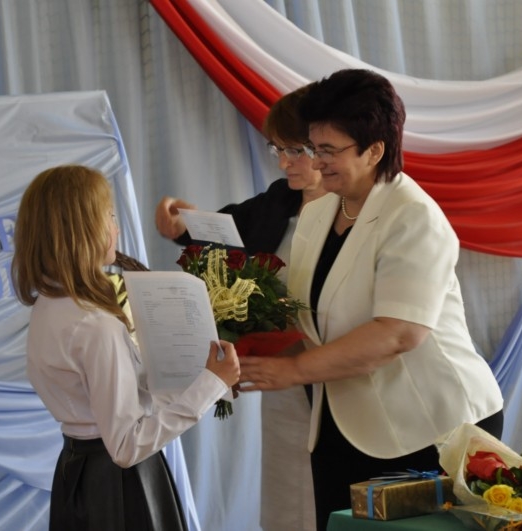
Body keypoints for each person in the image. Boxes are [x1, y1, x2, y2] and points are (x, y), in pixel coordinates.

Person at [238, 69, 505, 531]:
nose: (316, 162)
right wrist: (243, 353)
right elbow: (306, 316)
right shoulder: (320, 212)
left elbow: (398, 333)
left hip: (430, 426)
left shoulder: (413, 216)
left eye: (328, 150)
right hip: (341, 422)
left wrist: (294, 371)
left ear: (375, 150)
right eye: (313, 147)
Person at [12, 164, 240, 531]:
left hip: (77, 472)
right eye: (109, 216)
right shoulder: (96, 325)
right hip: (119, 486)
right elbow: (126, 445)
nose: (116, 228)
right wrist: (211, 384)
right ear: (83, 230)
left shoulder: (49, 305)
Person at [156, 85, 325, 531]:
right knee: (289, 499)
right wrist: (180, 225)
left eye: (296, 150)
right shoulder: (279, 199)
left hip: (339, 371)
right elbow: (224, 229)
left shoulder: (357, 210)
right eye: (278, 150)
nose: (284, 162)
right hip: (283, 377)